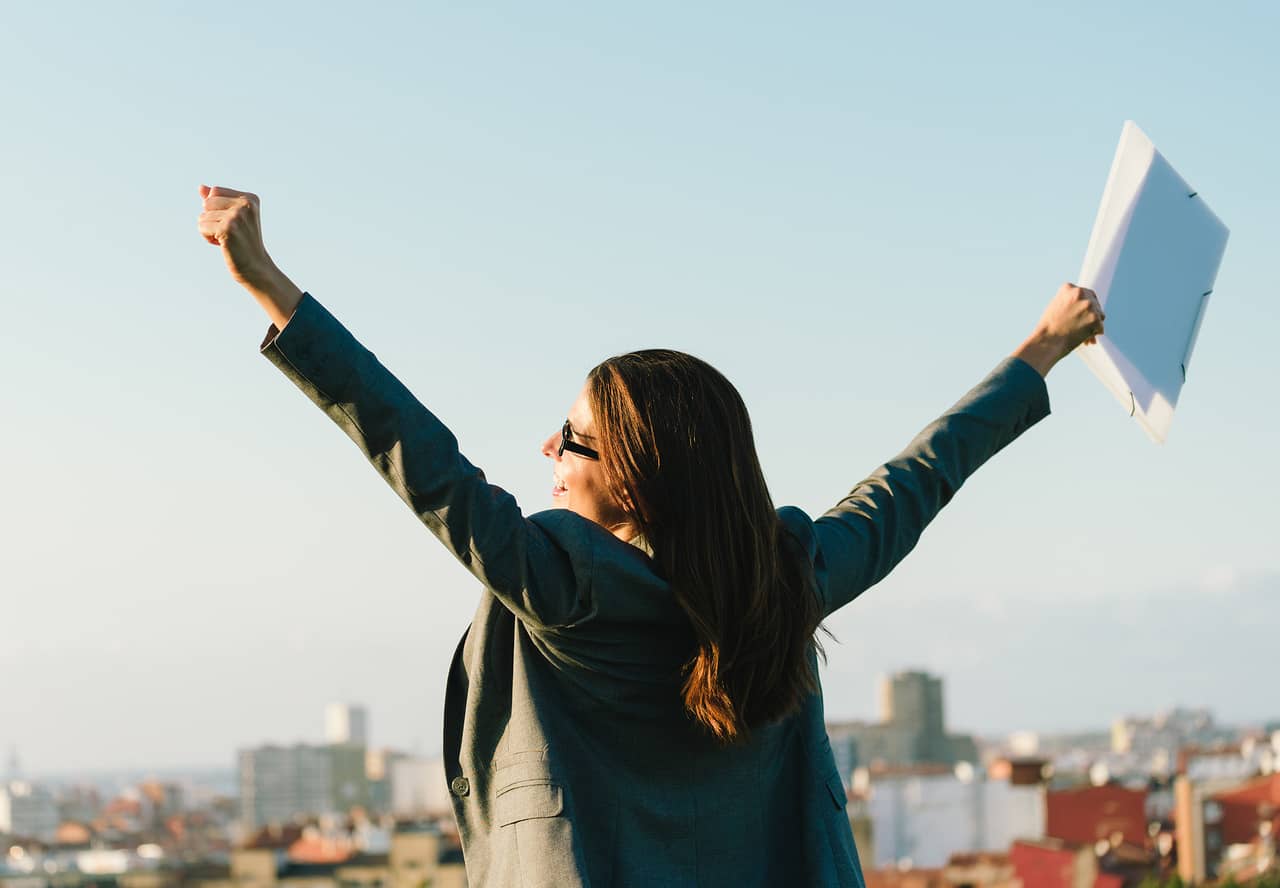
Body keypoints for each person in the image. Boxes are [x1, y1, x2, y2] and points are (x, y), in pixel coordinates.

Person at [198, 184, 1104, 887]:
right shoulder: (790, 579)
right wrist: (1044, 346)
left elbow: (413, 448)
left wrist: (268, 284)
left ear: (632, 477)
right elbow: (919, 479)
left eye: (572, 437)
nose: (548, 450)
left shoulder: (557, 584)